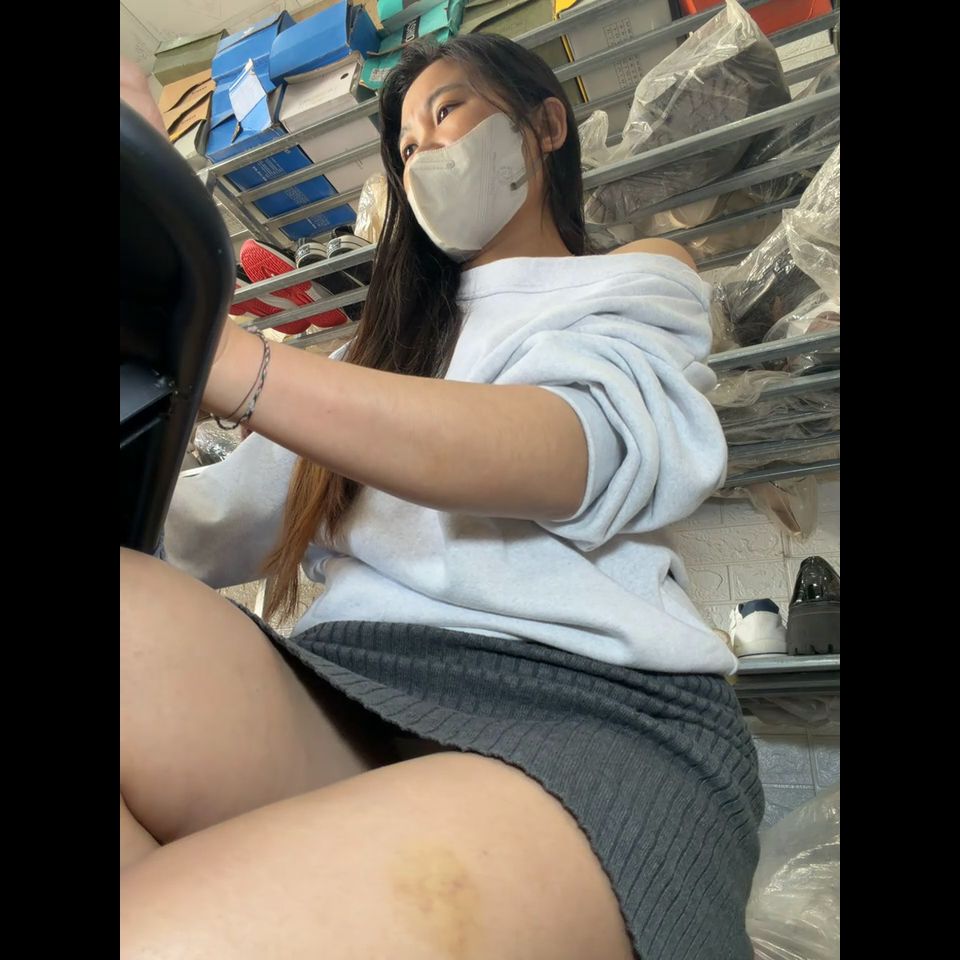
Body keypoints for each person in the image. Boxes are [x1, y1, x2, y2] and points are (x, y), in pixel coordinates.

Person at [120, 34, 762, 960]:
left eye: (446, 113)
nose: (422, 155)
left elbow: (563, 455)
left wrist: (211, 346)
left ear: (546, 126)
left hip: (580, 710)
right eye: (406, 147)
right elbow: (203, 522)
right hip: (352, 689)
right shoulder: (378, 352)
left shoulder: (633, 280)